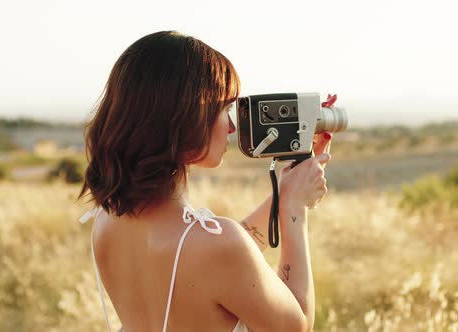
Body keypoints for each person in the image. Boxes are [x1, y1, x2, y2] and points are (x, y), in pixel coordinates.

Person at [78, 31, 332, 332]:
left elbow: (220, 258)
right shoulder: (216, 246)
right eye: (224, 108)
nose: (232, 126)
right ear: (185, 117)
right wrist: (293, 209)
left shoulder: (107, 222)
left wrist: (285, 189)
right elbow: (296, 325)